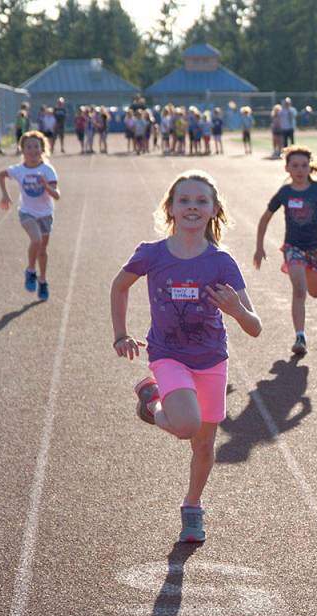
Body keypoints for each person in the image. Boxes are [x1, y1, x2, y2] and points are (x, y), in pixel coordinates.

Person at [110, 170, 261, 544]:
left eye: (201, 201)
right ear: (171, 208)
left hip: (211, 359)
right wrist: (121, 334)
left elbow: (255, 326)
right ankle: (154, 402)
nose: (192, 207)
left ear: (214, 209)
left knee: (204, 445)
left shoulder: (221, 262)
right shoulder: (152, 254)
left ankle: (192, 506)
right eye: (185, 200)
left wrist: (236, 310)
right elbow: (119, 286)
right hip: (168, 355)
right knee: (187, 425)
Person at [254, 146, 317, 355]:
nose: (300, 170)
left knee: (314, 292)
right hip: (293, 247)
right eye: (295, 166)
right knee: (299, 290)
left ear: (310, 167)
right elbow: (265, 218)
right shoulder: (285, 193)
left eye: (304, 165)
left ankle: (310, 273)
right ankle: (300, 336)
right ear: (287, 168)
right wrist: (259, 246)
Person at [0, 130, 59, 302]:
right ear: (22, 150)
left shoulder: (47, 170)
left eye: (36, 146)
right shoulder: (19, 170)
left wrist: (45, 185)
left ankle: (43, 280)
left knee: (43, 251)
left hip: (45, 214)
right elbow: (1, 174)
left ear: (42, 149)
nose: (32, 150)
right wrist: (5, 194)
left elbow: (56, 195)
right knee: (36, 240)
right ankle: (31, 270)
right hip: (27, 212)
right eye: (28, 147)